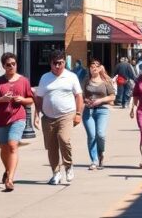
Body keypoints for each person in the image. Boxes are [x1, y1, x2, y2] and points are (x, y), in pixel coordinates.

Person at [33, 50, 84, 185]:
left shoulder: (71, 77)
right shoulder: (45, 78)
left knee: (64, 139)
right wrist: (36, 115)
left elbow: (79, 96)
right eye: (55, 63)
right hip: (48, 117)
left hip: (66, 115)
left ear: (64, 63)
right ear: (50, 64)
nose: (57, 66)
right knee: (51, 146)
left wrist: (78, 114)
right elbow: (38, 98)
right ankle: (56, 173)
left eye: (60, 63)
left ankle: (68, 166)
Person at [0, 52, 34, 192]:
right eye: (8, 65)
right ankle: (8, 169)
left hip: (18, 117)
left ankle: (10, 179)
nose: (11, 66)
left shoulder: (23, 81)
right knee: (4, 149)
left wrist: (22, 100)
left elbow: (30, 100)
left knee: (13, 145)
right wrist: (1, 100)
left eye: (14, 64)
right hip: (1, 119)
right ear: (3, 66)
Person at [82, 58, 116, 170]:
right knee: (92, 136)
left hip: (102, 110)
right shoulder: (86, 81)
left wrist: (100, 100)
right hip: (88, 110)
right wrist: (85, 100)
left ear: (100, 67)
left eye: (96, 66)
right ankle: (94, 160)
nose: (94, 68)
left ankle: (101, 153)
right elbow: (81, 95)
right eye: (92, 66)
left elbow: (112, 96)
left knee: (100, 134)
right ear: (90, 69)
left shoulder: (105, 81)